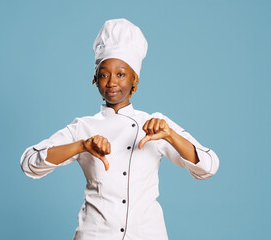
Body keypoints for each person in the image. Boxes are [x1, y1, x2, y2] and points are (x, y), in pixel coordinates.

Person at [20, 18, 219, 240]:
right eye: (104, 74)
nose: (112, 82)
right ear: (95, 79)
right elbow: (30, 163)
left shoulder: (155, 125)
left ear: (135, 80)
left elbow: (208, 167)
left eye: (121, 74)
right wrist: (82, 146)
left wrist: (171, 137)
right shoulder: (84, 127)